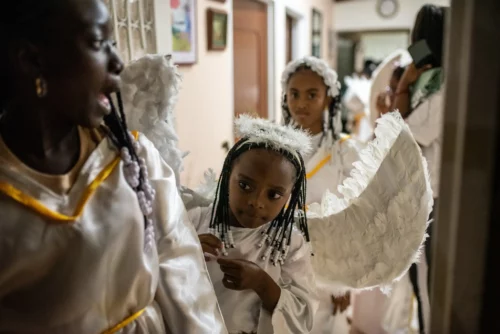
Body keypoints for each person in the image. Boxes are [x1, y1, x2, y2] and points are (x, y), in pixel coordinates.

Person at [0, 0, 226, 332]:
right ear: (32, 59)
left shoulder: (133, 160)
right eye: (97, 44)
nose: (118, 62)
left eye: (114, 44)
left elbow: (183, 277)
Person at [188, 115, 317, 334]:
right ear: (227, 175)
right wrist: (185, 253)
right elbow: (150, 274)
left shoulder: (289, 244)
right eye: (245, 186)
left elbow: (303, 316)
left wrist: (262, 283)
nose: (256, 203)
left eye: (274, 194)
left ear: (289, 196)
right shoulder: (193, 222)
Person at [281, 56, 363, 333]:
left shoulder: (345, 153)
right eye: (294, 94)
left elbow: (353, 216)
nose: (301, 103)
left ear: (328, 99)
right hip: (281, 258)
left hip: (329, 265)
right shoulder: (274, 148)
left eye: (311, 95)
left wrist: (345, 278)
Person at [390, 4, 446, 333]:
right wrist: (407, 83)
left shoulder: (441, 90)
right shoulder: (428, 84)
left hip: (434, 195)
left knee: (427, 287)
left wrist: (404, 86)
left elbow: (403, 133)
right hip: (421, 192)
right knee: (419, 283)